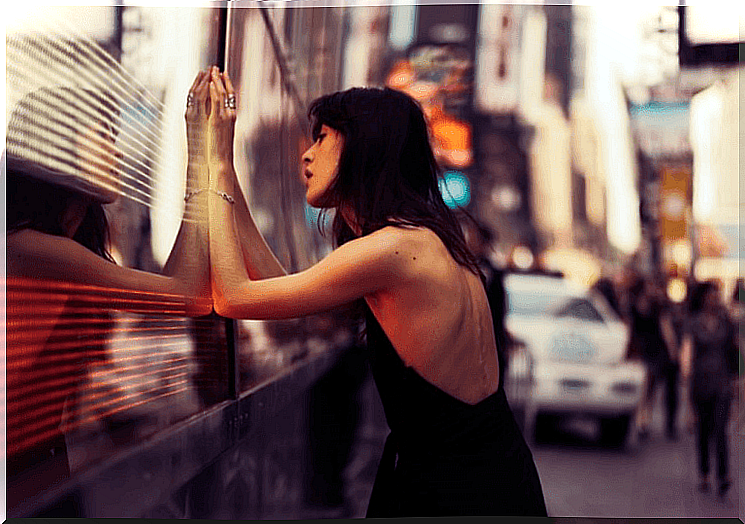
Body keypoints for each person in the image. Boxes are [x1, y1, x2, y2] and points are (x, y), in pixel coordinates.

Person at [204, 67, 547, 517]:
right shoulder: (421, 239)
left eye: (323, 137)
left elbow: (233, 298)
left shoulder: (389, 250)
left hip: (451, 491)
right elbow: (277, 293)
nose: (307, 156)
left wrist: (212, 163)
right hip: (486, 476)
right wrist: (225, 176)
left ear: (363, 147)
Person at [5, 73, 212, 516]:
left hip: (39, 462)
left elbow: (173, 297)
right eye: (104, 135)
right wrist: (200, 161)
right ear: (55, 146)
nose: (117, 150)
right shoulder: (29, 248)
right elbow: (187, 297)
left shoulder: (65, 247)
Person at [681, 280, 739, 498]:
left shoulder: (726, 321)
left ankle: (723, 475)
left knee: (721, 430)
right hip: (700, 383)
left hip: (722, 383)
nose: (715, 298)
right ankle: (704, 471)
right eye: (711, 294)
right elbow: (687, 351)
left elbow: (734, 351)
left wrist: (737, 381)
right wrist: (686, 377)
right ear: (703, 298)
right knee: (704, 430)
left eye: (717, 294)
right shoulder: (693, 322)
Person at [628, 277, 678, 440]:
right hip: (643, 350)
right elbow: (630, 328)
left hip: (655, 351)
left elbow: (666, 328)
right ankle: (642, 419)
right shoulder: (635, 305)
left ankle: (643, 419)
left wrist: (671, 350)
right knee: (646, 388)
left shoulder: (657, 306)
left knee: (649, 388)